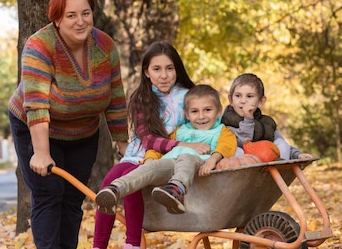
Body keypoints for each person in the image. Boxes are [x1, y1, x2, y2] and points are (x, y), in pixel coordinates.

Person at [8, 0, 129, 249]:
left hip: (83, 130)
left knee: (74, 196)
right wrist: (40, 152)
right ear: (57, 19)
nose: (80, 21)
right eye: (71, 15)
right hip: (35, 127)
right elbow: (36, 103)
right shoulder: (40, 46)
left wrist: (126, 149)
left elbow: (115, 98)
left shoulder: (105, 47)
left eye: (85, 13)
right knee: (49, 192)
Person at [81, 41, 206, 249]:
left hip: (168, 160)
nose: (164, 75)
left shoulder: (189, 96)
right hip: (143, 152)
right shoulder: (141, 98)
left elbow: (205, 123)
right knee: (109, 182)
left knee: (130, 182)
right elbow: (147, 138)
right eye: (156, 69)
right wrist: (181, 145)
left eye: (169, 68)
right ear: (146, 72)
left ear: (177, 69)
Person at [95, 84, 237, 217]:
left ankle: (176, 190)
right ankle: (116, 189)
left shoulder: (221, 131)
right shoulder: (180, 131)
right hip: (170, 164)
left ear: (218, 111)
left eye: (207, 110)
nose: (201, 116)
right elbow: (160, 148)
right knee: (150, 167)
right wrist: (149, 158)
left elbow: (226, 146)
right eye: (195, 111)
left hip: (196, 166)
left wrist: (212, 160)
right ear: (187, 114)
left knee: (187, 158)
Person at [221, 73, 313, 160]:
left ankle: (281, 166)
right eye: (238, 96)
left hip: (266, 157)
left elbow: (281, 143)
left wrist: (297, 155)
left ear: (261, 101)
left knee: (281, 143)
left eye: (249, 96)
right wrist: (248, 120)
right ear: (231, 100)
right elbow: (244, 141)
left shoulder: (266, 122)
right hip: (245, 163)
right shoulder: (227, 122)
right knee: (237, 151)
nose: (243, 101)